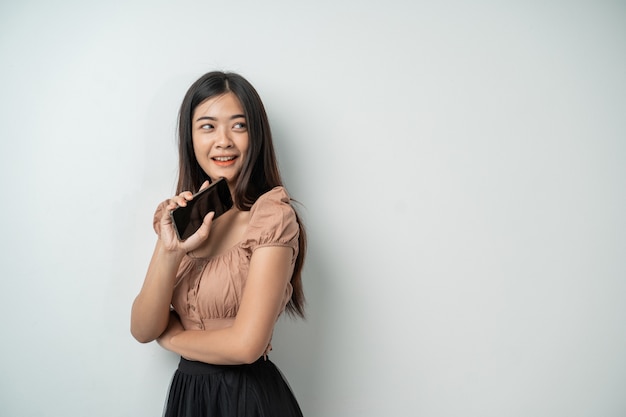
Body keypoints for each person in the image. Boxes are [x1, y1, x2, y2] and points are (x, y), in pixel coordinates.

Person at [130, 71, 306, 417]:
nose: (223, 141)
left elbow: (245, 347)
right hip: (188, 399)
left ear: (255, 136)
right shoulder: (180, 217)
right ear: (190, 138)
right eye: (208, 126)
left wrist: (173, 338)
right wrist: (170, 249)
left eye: (238, 126)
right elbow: (142, 327)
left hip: (246, 399)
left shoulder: (271, 218)